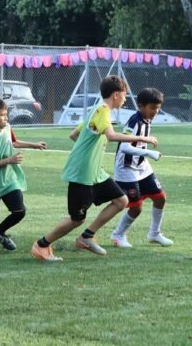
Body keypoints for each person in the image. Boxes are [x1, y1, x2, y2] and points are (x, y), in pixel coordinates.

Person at [31, 75, 139, 261]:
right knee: (76, 219)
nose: (125, 99)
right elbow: (111, 136)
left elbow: (75, 135)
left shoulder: (96, 110)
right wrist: (142, 138)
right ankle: (41, 245)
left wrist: (89, 151)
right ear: (115, 94)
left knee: (121, 200)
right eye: (124, 95)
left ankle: (86, 237)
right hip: (82, 174)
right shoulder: (102, 111)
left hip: (95, 173)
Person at [0, 97, 46, 254]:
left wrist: (34, 145)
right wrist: (9, 160)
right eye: (2, 115)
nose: (6, 118)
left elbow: (14, 142)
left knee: (19, 211)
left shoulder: (7, 127)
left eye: (6, 114)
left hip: (9, 180)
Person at [110, 88, 173, 248]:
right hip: (126, 169)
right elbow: (124, 147)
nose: (156, 112)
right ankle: (118, 235)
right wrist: (149, 152)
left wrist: (145, 153)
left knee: (160, 197)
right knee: (136, 208)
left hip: (141, 165)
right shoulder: (134, 121)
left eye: (158, 108)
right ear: (141, 106)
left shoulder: (147, 119)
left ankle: (154, 234)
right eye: (152, 108)